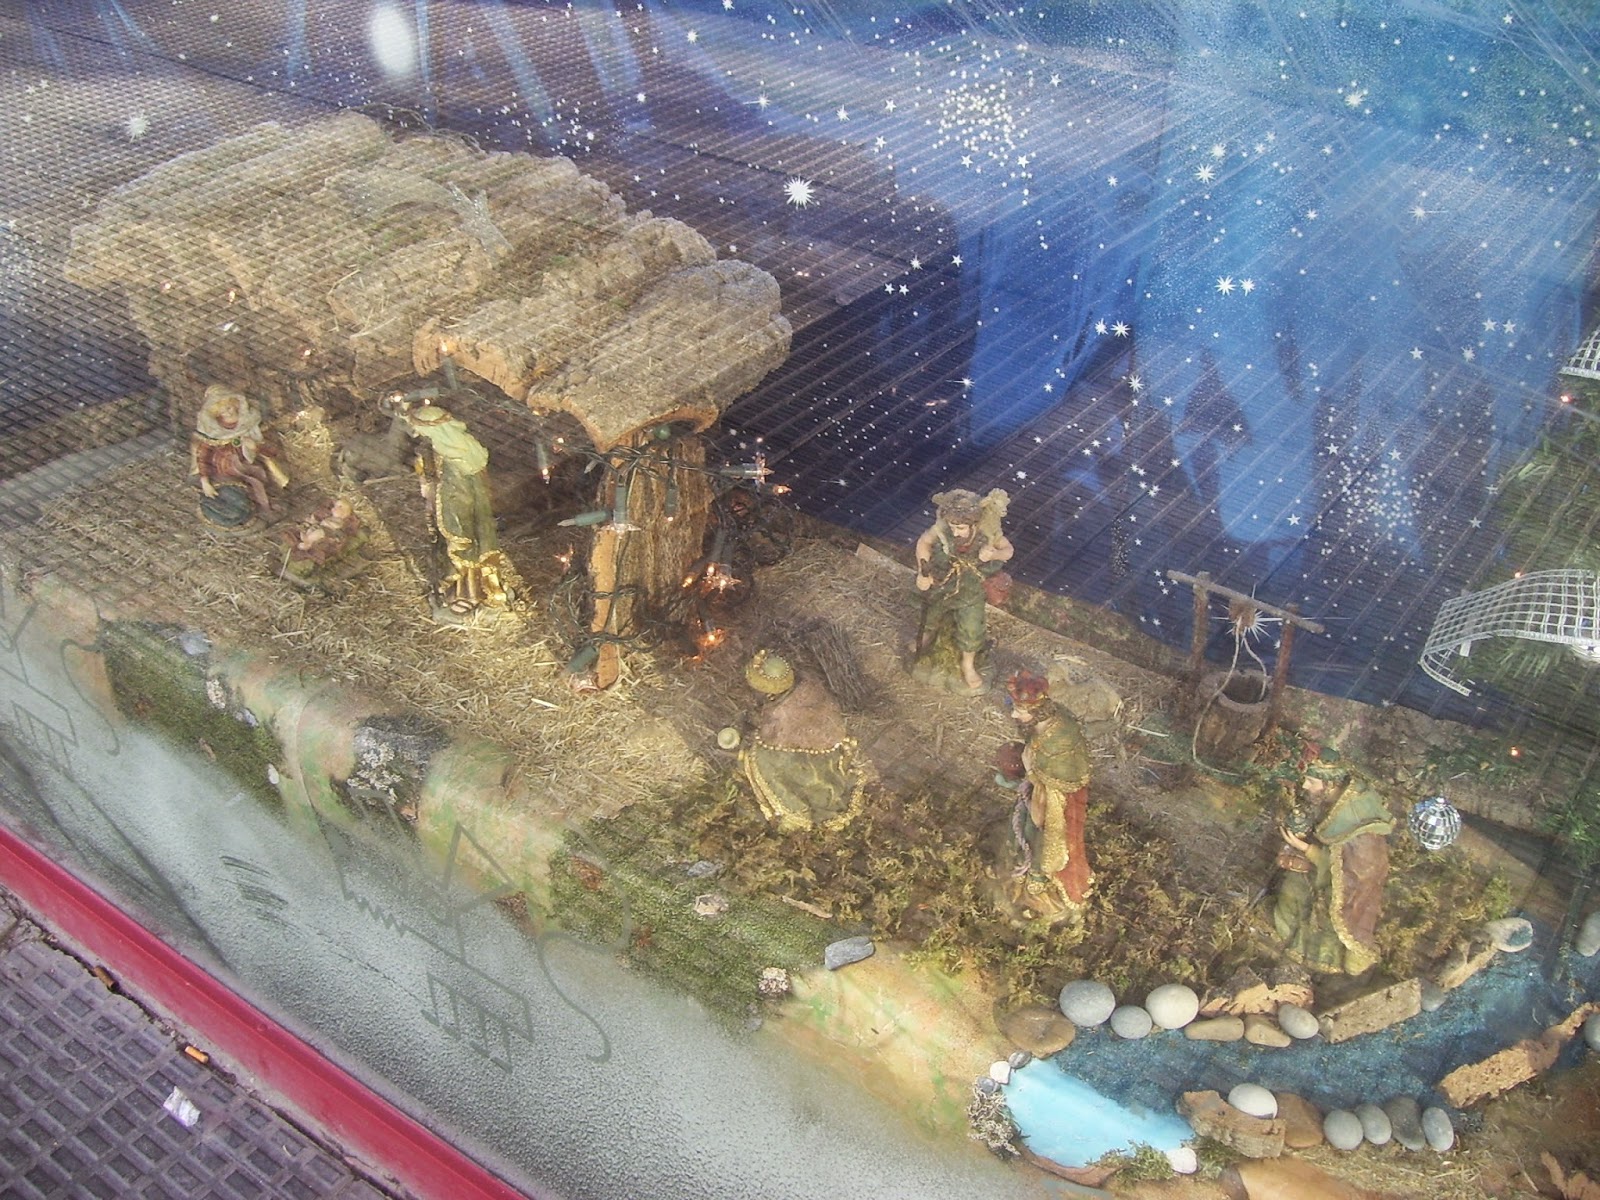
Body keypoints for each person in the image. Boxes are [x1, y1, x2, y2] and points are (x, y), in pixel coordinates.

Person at [1273, 755, 1395, 975]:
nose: (1305, 786)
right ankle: (1283, 933)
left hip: (1347, 891)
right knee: (1290, 885)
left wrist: (1304, 848)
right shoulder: (1335, 800)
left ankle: (1318, 954)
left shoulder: (1355, 824)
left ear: (1330, 784)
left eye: (1311, 781)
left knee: (1301, 896)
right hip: (1328, 870)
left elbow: (1344, 872)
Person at [998, 670, 1092, 920]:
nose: (1013, 715)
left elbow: (1061, 777)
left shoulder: (1059, 740)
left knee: (1041, 841)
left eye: (1018, 710)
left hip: (1054, 803)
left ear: (1036, 710)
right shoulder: (1042, 728)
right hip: (1038, 793)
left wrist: (1030, 771)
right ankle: (1022, 876)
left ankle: (1039, 888)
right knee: (1023, 828)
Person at [739, 650, 867, 833]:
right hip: (825, 746)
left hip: (807, 757)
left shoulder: (779, 714)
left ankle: (796, 813)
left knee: (758, 758)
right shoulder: (808, 684)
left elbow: (773, 739)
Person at [400, 404, 509, 615]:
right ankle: (462, 590)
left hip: (459, 514)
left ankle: (468, 594)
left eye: (423, 432)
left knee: (465, 551)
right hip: (459, 509)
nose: (421, 436)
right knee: (464, 550)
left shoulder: (455, 457)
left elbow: (455, 492)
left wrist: (435, 497)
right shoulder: (450, 449)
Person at [912, 488, 1013, 693]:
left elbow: (1008, 550)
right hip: (943, 581)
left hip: (970, 589)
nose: (956, 532)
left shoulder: (987, 531)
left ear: (973, 524)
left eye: (960, 528)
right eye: (952, 527)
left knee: (971, 627)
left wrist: (993, 554)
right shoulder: (943, 528)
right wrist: (923, 573)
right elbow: (924, 542)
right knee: (931, 612)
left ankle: (968, 664)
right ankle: (926, 637)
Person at [190, 385, 290, 524]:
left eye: (229, 408)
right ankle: (247, 512)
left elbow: (272, 449)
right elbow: (203, 455)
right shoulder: (212, 430)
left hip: (250, 464)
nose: (227, 413)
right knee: (241, 491)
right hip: (224, 469)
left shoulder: (251, 421)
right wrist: (205, 480)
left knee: (260, 479)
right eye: (222, 411)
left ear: (235, 404)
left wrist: (255, 447)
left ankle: (265, 507)